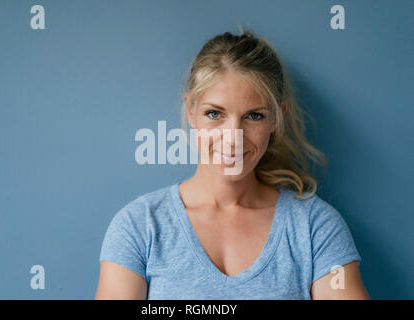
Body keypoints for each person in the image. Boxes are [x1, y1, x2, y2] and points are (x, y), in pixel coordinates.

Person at [95, 29, 370, 300]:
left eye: (254, 116)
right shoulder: (139, 226)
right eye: (214, 113)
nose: (233, 138)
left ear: (276, 118)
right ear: (191, 111)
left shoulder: (315, 228)